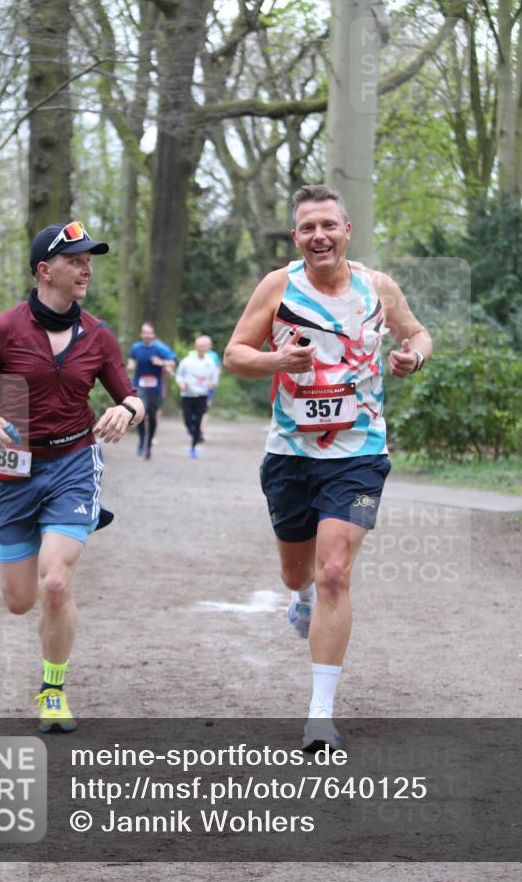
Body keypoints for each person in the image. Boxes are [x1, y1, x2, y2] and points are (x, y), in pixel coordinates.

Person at [223, 185, 432, 750]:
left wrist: (413, 355)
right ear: (297, 237)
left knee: (335, 570)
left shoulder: (377, 287)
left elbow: (417, 332)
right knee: (299, 574)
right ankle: (301, 597)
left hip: (360, 455)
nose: (319, 235)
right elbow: (235, 355)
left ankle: (320, 713)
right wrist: (275, 359)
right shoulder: (278, 287)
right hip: (291, 456)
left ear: (347, 232)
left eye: (328, 226)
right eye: (308, 227)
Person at [0, 220, 144, 732]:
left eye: (89, 260)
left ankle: (53, 689)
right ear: (44, 270)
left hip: (74, 462)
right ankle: (31, 555)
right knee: (20, 602)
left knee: (56, 582)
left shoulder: (98, 335)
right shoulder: (5, 329)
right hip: (14, 469)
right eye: (75, 260)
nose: (85, 268)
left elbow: (129, 394)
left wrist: (128, 411)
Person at [127, 323, 176, 460]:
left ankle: (148, 445)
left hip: (155, 389)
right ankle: (142, 441)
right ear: (141, 334)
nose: (147, 335)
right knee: (141, 413)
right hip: (140, 386)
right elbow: (131, 361)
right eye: (144, 333)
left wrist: (161, 362)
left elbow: (172, 362)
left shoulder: (160, 348)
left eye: (149, 333)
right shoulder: (136, 347)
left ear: (153, 334)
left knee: (153, 418)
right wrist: (130, 366)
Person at [175, 336, 219, 458]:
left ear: (208, 348)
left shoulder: (210, 362)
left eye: (203, 347)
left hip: (202, 395)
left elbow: (214, 379)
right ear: (195, 346)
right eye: (198, 346)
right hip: (188, 395)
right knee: (187, 419)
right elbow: (179, 375)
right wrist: (181, 384)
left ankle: (193, 448)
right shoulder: (187, 361)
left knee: (198, 421)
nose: (200, 349)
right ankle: (191, 430)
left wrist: (212, 384)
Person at [199, 335, 221, 441]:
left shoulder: (214, 356)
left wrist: (213, 382)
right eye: (202, 344)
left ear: (210, 346)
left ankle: (201, 432)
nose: (204, 347)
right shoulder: (194, 355)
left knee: (205, 410)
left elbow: (217, 370)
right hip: (195, 387)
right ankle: (195, 429)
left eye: (206, 345)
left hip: (209, 388)